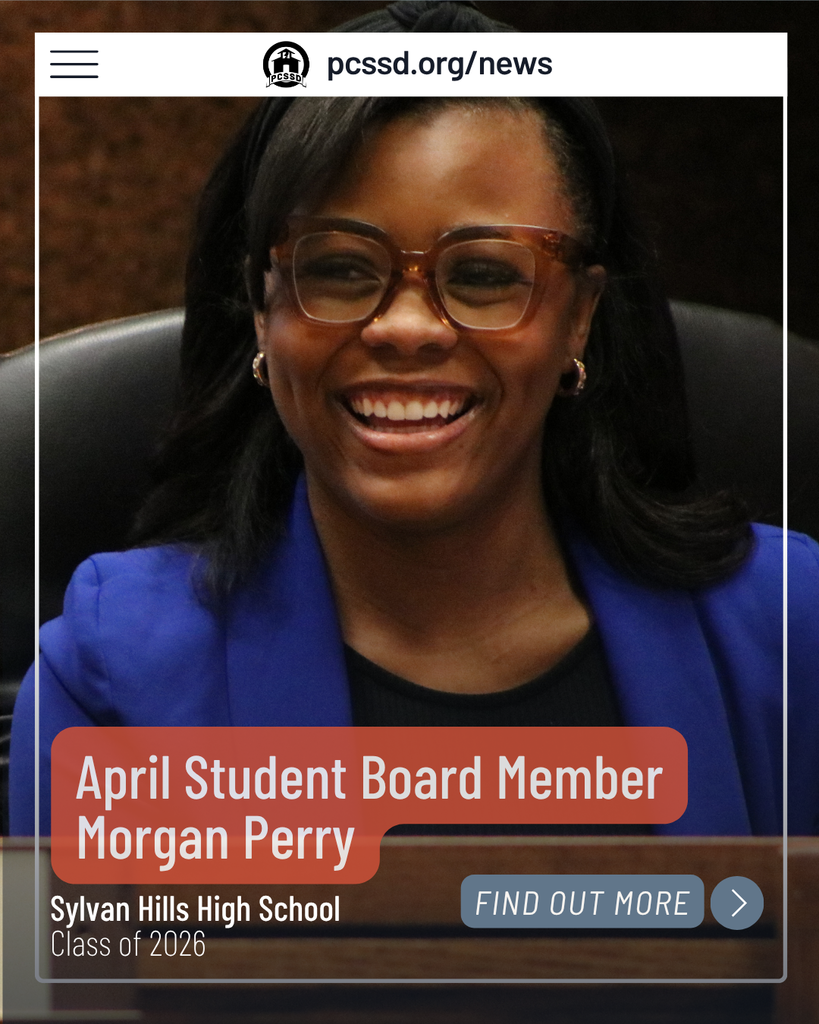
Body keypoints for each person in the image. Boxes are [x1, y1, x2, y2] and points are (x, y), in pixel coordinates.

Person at [10, 84, 819, 838]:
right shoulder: (116, 675)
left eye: (483, 273)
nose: (406, 327)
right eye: (337, 269)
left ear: (579, 317)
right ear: (262, 311)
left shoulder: (789, 627)